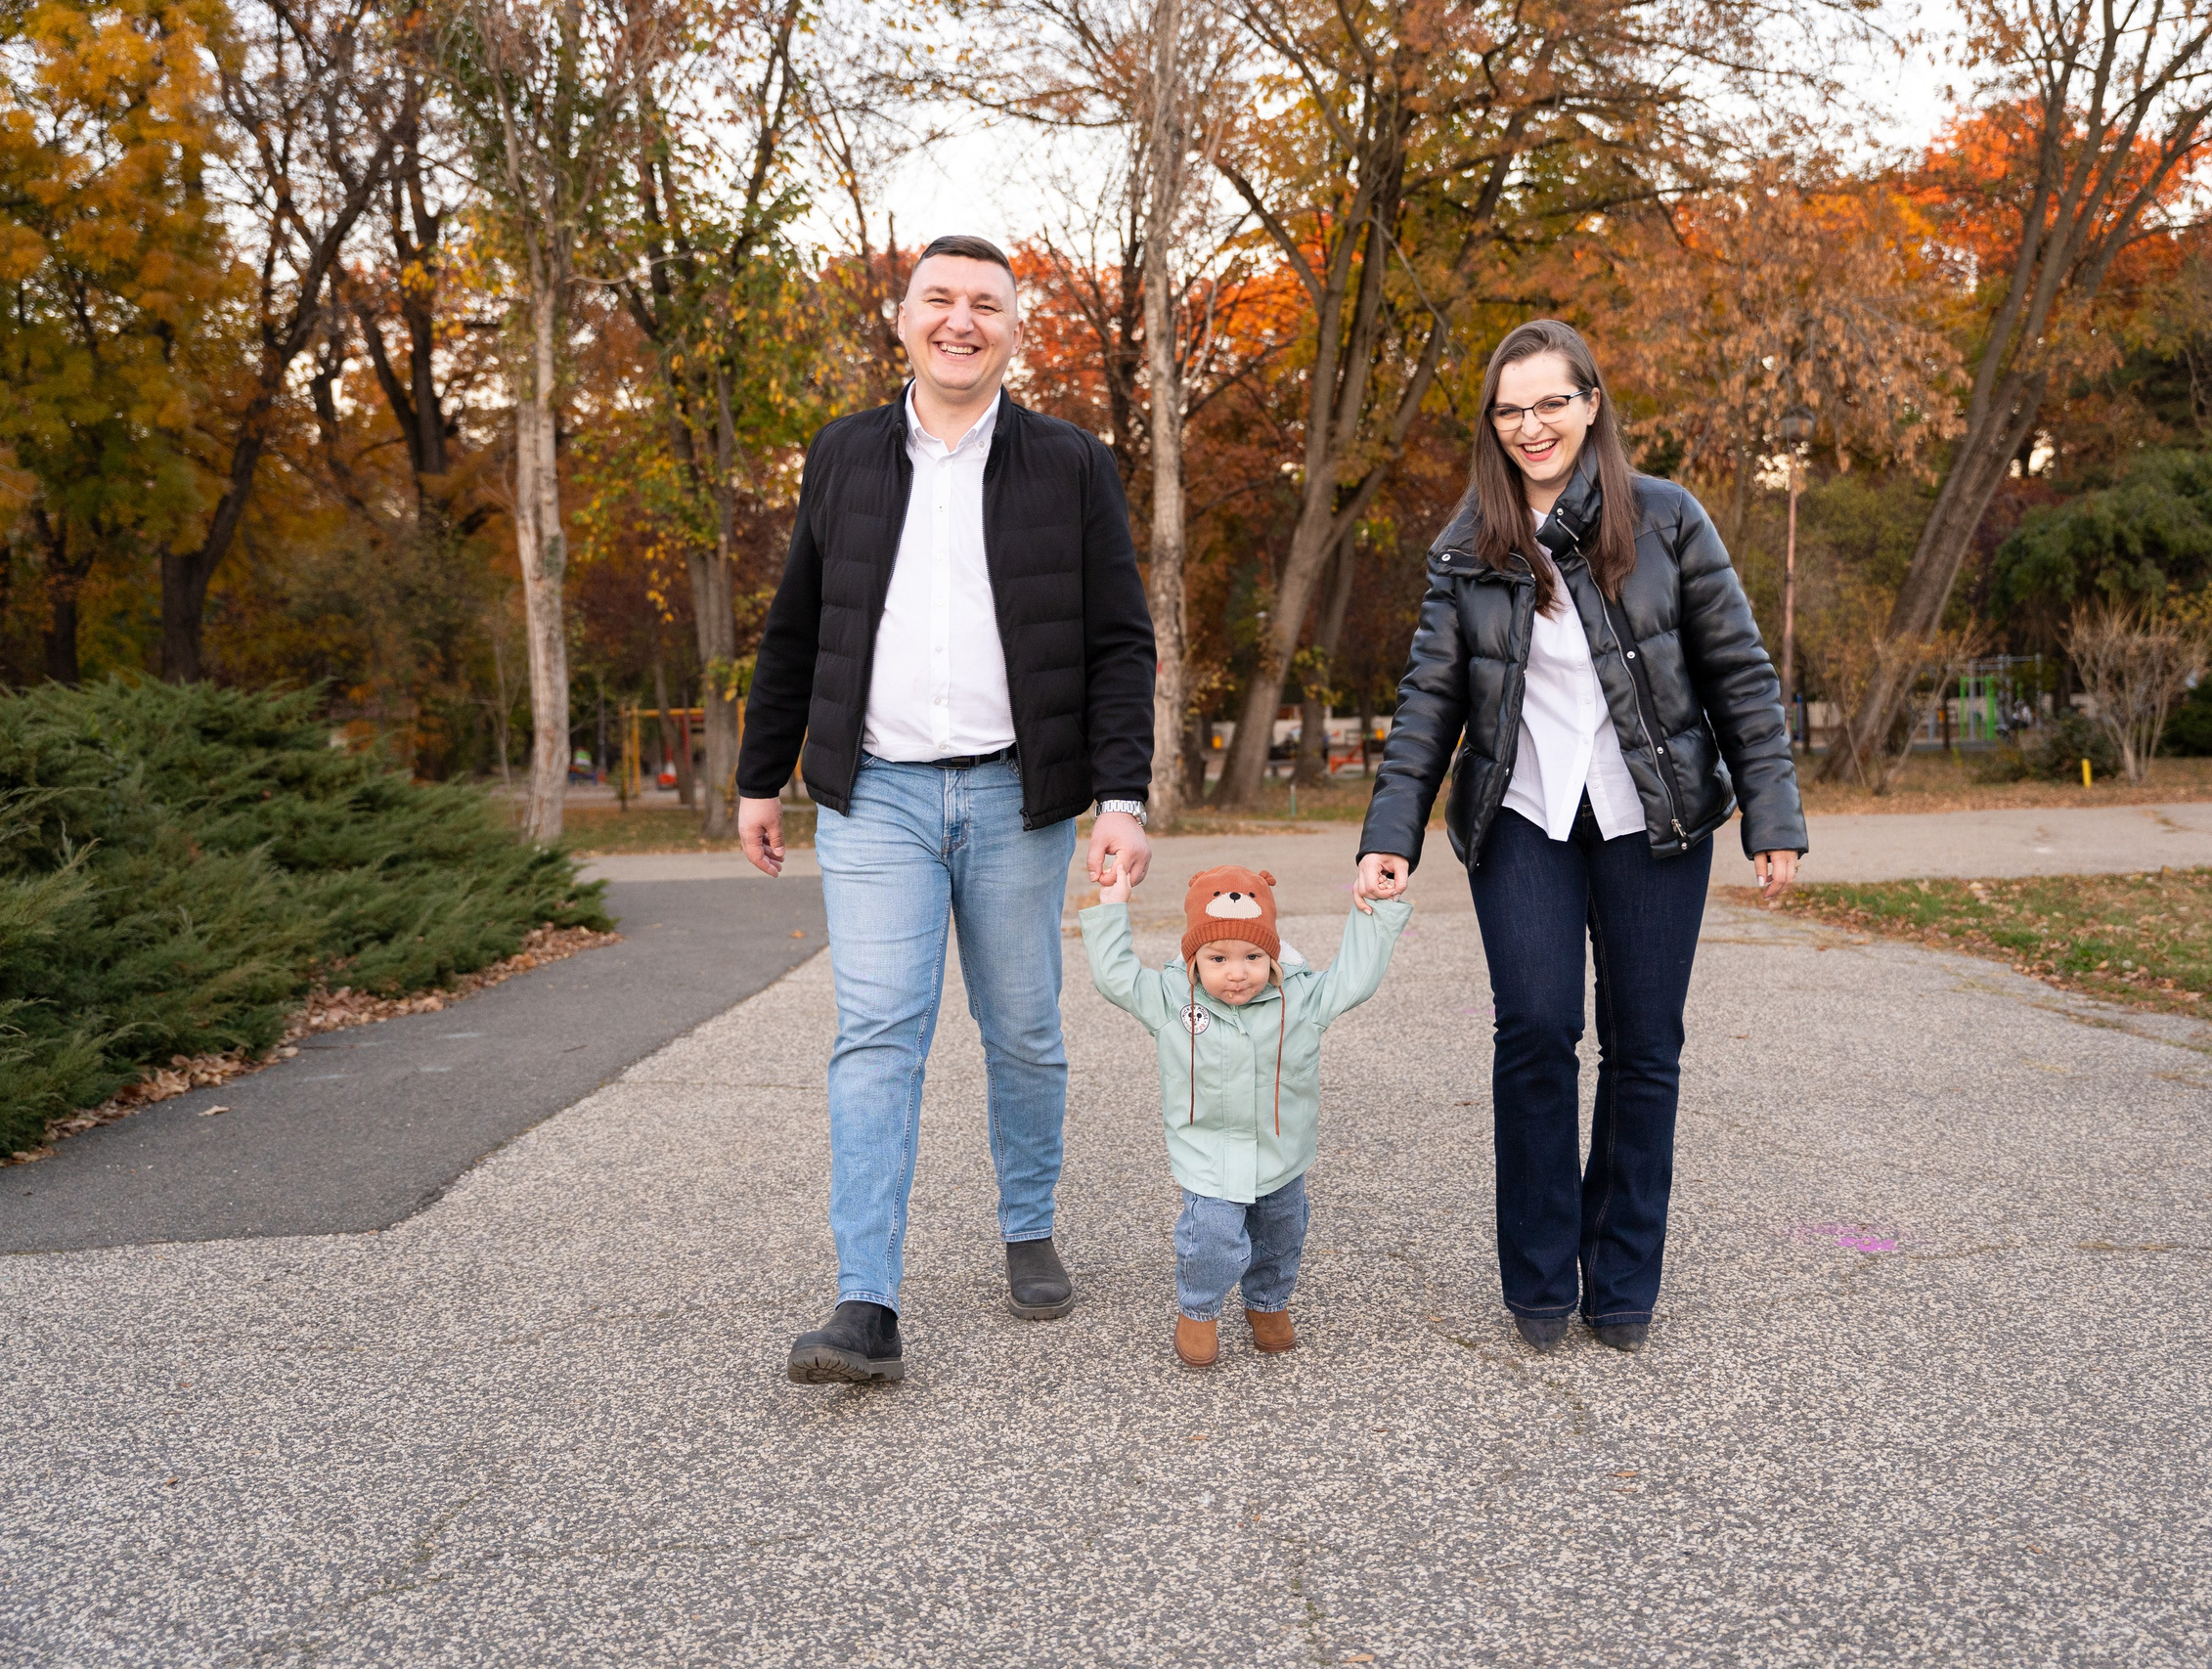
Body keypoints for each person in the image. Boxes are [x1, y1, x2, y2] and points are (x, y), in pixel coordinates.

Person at [734, 234, 1158, 1385]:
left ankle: (1027, 1223)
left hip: (1020, 797)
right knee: (876, 1035)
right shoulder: (845, 456)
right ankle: (865, 1301)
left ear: (1014, 328)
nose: (960, 319)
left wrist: (1120, 797)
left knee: (1022, 1028)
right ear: (902, 318)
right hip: (875, 799)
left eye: (986, 303)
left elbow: (1119, 640)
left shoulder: (1070, 462)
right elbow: (796, 626)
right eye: (939, 299)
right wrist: (759, 775)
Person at [1352, 319, 1807, 1356]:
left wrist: (1771, 817)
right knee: (1535, 1033)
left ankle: (1625, 1284)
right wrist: (1392, 833)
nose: (1531, 425)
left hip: (1655, 821)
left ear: (1591, 404)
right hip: (1522, 819)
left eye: (1551, 402)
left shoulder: (1668, 521)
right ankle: (1539, 1282)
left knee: (1644, 1048)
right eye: (1510, 409)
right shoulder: (1468, 546)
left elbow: (1739, 673)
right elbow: (1429, 697)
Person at [1079, 861, 1408, 1367]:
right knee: (1209, 1240)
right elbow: (1115, 976)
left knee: (1281, 1236)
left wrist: (1377, 910)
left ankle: (1267, 1305)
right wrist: (1112, 904)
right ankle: (1199, 1311)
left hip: (1280, 1157)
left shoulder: (1299, 999)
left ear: (1273, 956)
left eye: (1253, 956)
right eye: (1218, 957)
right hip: (1207, 1158)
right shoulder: (1171, 1000)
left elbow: (1355, 978)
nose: (1237, 971)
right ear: (1194, 961)